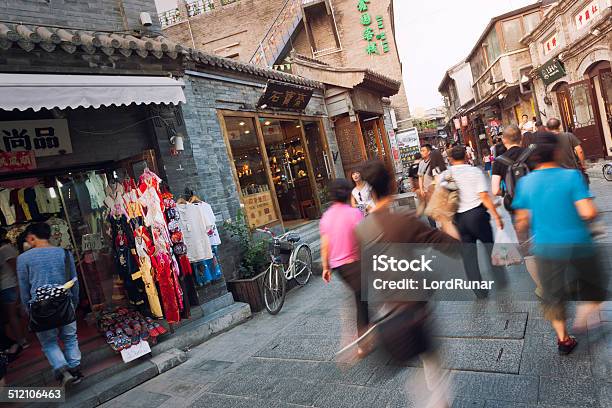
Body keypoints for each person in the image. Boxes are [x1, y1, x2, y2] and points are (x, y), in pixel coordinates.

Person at [355, 160, 457, 408]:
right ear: (392, 185)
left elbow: (362, 282)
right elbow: (454, 248)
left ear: (369, 189)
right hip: (415, 306)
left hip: (388, 310)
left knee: (424, 366)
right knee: (432, 364)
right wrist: (446, 217)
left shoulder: (361, 229)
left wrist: (362, 324)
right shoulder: (404, 221)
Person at [513, 132, 607, 355]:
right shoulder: (571, 177)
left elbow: (522, 221)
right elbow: (587, 211)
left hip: (546, 247)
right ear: (556, 152)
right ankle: (585, 311)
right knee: (594, 286)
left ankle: (563, 339)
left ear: (534, 157)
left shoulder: (525, 183)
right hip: (579, 244)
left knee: (552, 296)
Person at [16, 223, 82, 386]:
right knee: (70, 338)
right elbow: (74, 281)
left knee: (49, 342)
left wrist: (27, 308)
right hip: (65, 303)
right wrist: (74, 301)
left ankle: (62, 368)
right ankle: (75, 370)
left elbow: (24, 288)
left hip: (39, 307)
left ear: (32, 237)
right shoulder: (64, 253)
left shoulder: (23, 259)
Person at [442, 146, 506, 298]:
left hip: (459, 219)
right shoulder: (474, 171)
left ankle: (479, 291)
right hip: (477, 215)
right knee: (489, 247)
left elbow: (443, 199)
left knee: (469, 256)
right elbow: (483, 196)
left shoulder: (446, 175)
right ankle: (500, 279)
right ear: (465, 156)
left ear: (450, 159)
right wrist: (496, 215)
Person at [320, 179, 367, 356]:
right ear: (349, 194)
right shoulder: (354, 214)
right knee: (362, 299)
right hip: (355, 263)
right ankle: (362, 341)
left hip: (339, 267)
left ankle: (365, 334)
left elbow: (325, 245)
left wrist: (326, 267)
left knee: (361, 296)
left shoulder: (326, 217)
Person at [0, 227, 28, 353]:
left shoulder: (4, 249)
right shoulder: (7, 248)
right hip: (10, 284)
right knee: (18, 313)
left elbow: (15, 267)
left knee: (13, 315)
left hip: (9, 284)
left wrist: (19, 285)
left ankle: (21, 340)